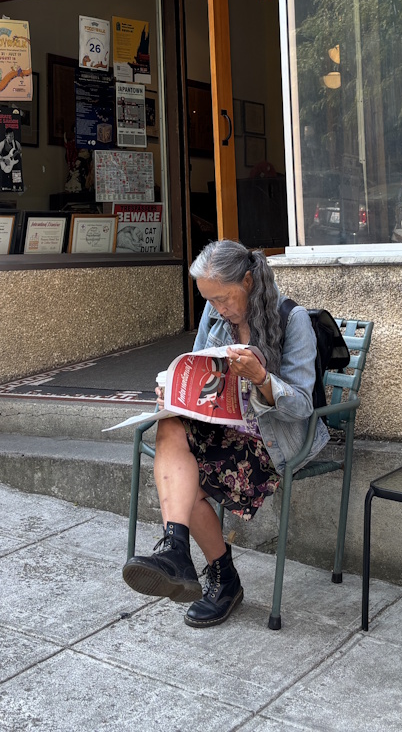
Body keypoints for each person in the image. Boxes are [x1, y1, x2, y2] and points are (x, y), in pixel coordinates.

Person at [121, 239, 322, 627]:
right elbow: (197, 369)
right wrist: (175, 392)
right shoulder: (215, 316)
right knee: (170, 422)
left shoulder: (292, 319)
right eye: (210, 301)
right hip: (223, 427)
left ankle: (219, 575)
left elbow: (301, 406)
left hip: (273, 439)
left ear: (247, 281)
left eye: (223, 298)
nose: (218, 308)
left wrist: (261, 378)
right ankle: (177, 549)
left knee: (190, 478)